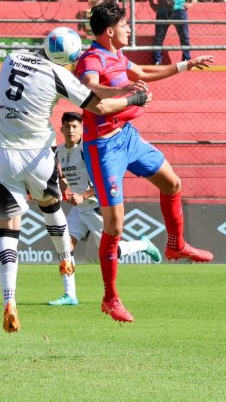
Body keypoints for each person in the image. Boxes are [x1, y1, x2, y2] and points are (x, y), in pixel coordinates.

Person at [0, 38, 151, 332]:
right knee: (51, 208)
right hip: (37, 153)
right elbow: (100, 106)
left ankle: (9, 300)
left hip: (2, 153)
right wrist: (132, 98)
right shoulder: (60, 74)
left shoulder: (11, 57)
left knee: (8, 227)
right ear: (68, 58)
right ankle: (65, 258)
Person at [75, 0, 215, 323]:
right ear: (109, 31)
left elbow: (144, 72)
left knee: (172, 183)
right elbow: (89, 87)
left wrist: (185, 66)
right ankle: (110, 298)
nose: (129, 29)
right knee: (115, 226)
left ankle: (175, 245)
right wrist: (124, 89)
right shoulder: (91, 59)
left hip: (127, 136)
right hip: (102, 147)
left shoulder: (117, 55)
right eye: (125, 25)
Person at [47, 112, 161, 306]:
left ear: (82, 128)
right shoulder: (59, 153)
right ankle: (70, 294)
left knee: (113, 252)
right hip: (79, 210)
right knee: (66, 249)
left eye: (75, 126)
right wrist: (65, 189)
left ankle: (144, 245)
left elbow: (103, 182)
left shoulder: (87, 150)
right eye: (68, 126)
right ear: (62, 129)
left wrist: (83, 195)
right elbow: (63, 177)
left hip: (96, 208)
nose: (71, 130)